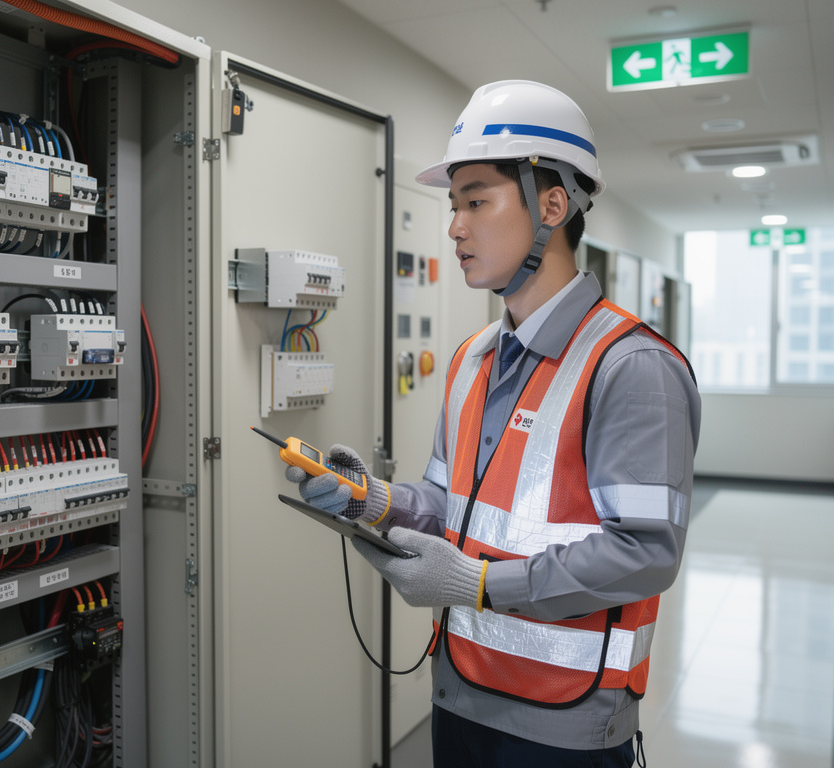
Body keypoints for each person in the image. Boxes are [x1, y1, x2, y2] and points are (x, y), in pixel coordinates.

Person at [287, 80, 701, 767]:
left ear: (552, 204)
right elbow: (455, 511)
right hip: (458, 697)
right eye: (454, 205)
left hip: (563, 725)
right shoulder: (474, 358)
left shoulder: (631, 367)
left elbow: (647, 555)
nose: (455, 226)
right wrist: (373, 499)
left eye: (477, 200)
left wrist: (476, 586)